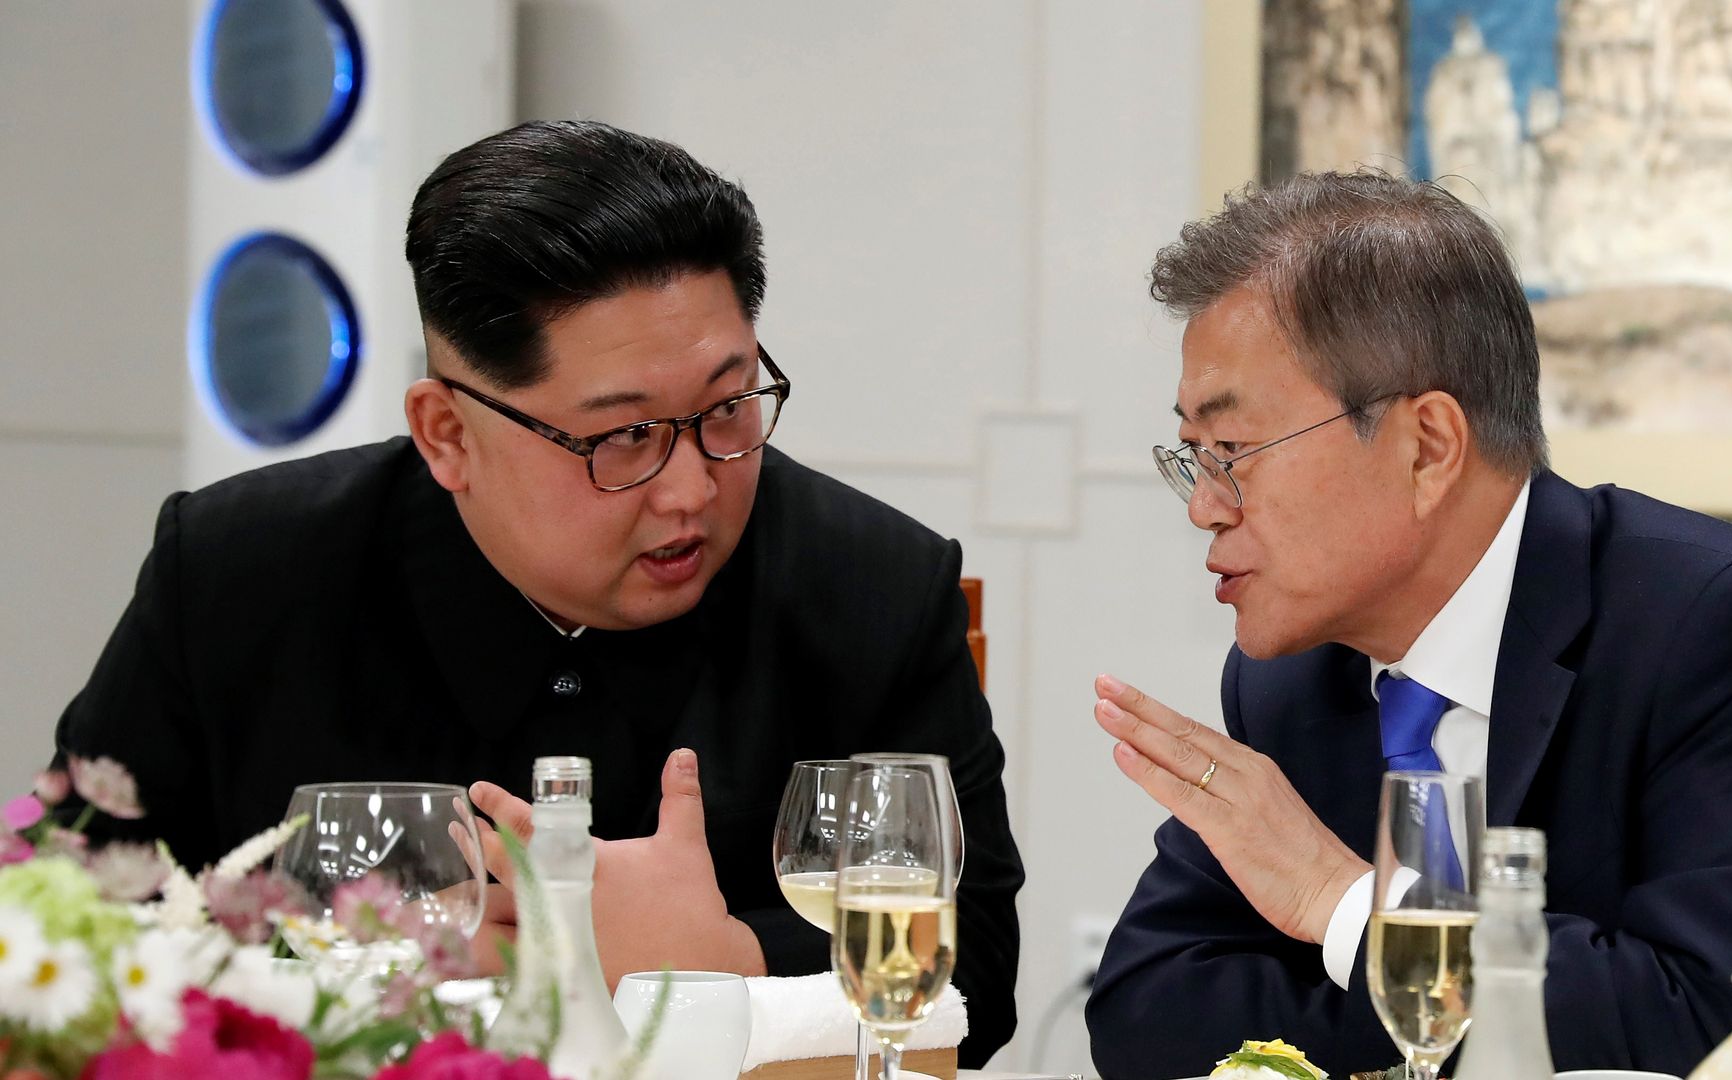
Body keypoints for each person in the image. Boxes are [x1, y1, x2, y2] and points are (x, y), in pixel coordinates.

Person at [52, 120, 1021, 1065]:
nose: (693, 489)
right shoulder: (239, 573)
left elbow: (980, 972)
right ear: (447, 435)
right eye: (623, 438)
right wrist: (354, 984)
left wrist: (726, 964)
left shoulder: (872, 587)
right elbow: (64, 927)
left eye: (728, 407)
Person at [1083, 172, 1732, 1080]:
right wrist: (1470, 1002)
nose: (1203, 507)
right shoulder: (1292, 678)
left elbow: (1723, 1024)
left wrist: (1347, 906)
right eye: (1192, 457)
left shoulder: (1723, 629)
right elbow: (1148, 1009)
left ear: (1427, 446)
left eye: (1233, 452)